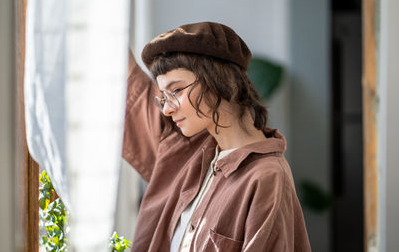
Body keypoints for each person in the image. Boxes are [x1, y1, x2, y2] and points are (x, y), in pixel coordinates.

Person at [122, 21, 311, 252]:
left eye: (177, 91)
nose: (167, 109)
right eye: (163, 97)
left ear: (223, 81)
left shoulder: (266, 178)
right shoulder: (189, 151)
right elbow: (130, 83)